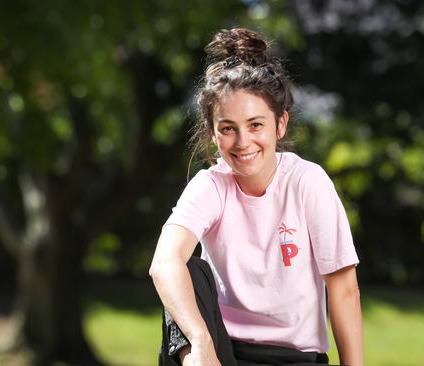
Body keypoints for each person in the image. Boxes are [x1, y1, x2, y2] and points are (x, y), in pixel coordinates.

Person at [149, 28, 363, 366]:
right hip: (222, 353)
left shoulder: (307, 182)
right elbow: (163, 263)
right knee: (184, 270)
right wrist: (201, 341)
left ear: (280, 124)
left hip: (294, 358)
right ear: (213, 133)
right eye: (228, 128)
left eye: (255, 125)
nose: (242, 141)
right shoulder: (211, 186)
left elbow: (344, 290)